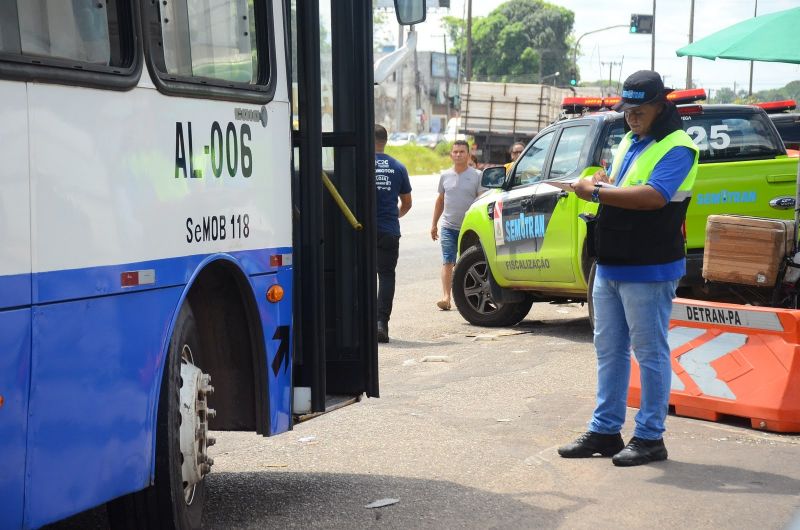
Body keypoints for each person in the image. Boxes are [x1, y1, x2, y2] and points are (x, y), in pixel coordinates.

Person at [558, 70, 699, 467]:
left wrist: (596, 190)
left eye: (639, 110)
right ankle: (605, 430)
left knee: (650, 352)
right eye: (627, 110)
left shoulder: (678, 146)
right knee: (609, 350)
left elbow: (655, 197)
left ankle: (651, 437)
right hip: (612, 262)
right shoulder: (632, 141)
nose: (631, 117)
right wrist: (605, 180)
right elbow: (623, 186)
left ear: (660, 105)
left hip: (650, 267)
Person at [430, 140, 483, 311]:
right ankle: (446, 297)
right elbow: (440, 200)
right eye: (455, 152)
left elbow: (482, 199)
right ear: (451, 154)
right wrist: (434, 224)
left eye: (462, 151)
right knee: (448, 261)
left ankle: (468, 297)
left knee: (467, 262)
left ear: (468, 155)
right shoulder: (445, 175)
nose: (458, 154)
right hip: (448, 226)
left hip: (469, 228)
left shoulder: (477, 175)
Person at [374, 124, 412, 343]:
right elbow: (407, 203)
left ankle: (360, 324)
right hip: (389, 230)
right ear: (386, 141)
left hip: (362, 230)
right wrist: (392, 216)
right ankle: (381, 324)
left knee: (359, 276)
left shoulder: (359, 163)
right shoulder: (398, 167)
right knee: (386, 276)